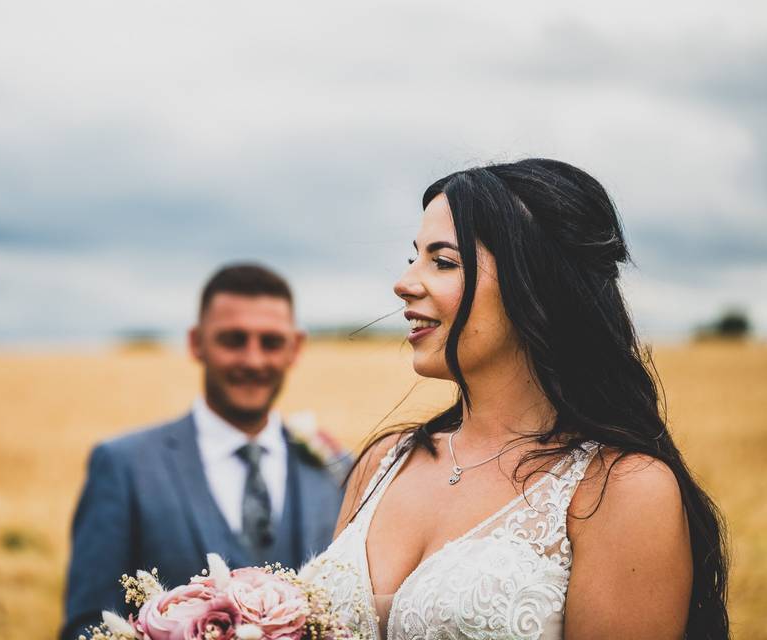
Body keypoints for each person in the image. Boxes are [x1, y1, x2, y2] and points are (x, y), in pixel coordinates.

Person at [304, 159, 728, 640]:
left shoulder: (620, 487)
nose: (404, 283)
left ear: (537, 284)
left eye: (443, 261)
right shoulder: (384, 460)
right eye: (413, 258)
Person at [61, 263, 348, 640]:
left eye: (271, 342)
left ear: (296, 348)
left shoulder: (340, 468)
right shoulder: (123, 465)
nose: (253, 360)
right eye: (233, 339)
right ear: (197, 342)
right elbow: (87, 626)